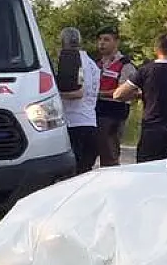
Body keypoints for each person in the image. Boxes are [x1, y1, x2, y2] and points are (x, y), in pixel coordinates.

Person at [116, 32, 167, 162]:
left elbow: (118, 94)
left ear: (156, 49)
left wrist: (139, 95)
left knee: (147, 173)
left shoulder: (146, 71)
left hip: (152, 132)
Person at [55, 27, 101, 173]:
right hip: (90, 124)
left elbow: (77, 92)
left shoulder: (70, 59)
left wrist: (54, 95)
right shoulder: (91, 64)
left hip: (74, 125)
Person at [92, 26, 139, 167]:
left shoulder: (125, 65)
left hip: (114, 112)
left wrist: (99, 93)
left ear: (116, 42)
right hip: (96, 110)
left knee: (109, 152)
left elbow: (125, 91)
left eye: (106, 40)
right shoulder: (96, 63)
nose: (102, 43)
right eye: (99, 40)